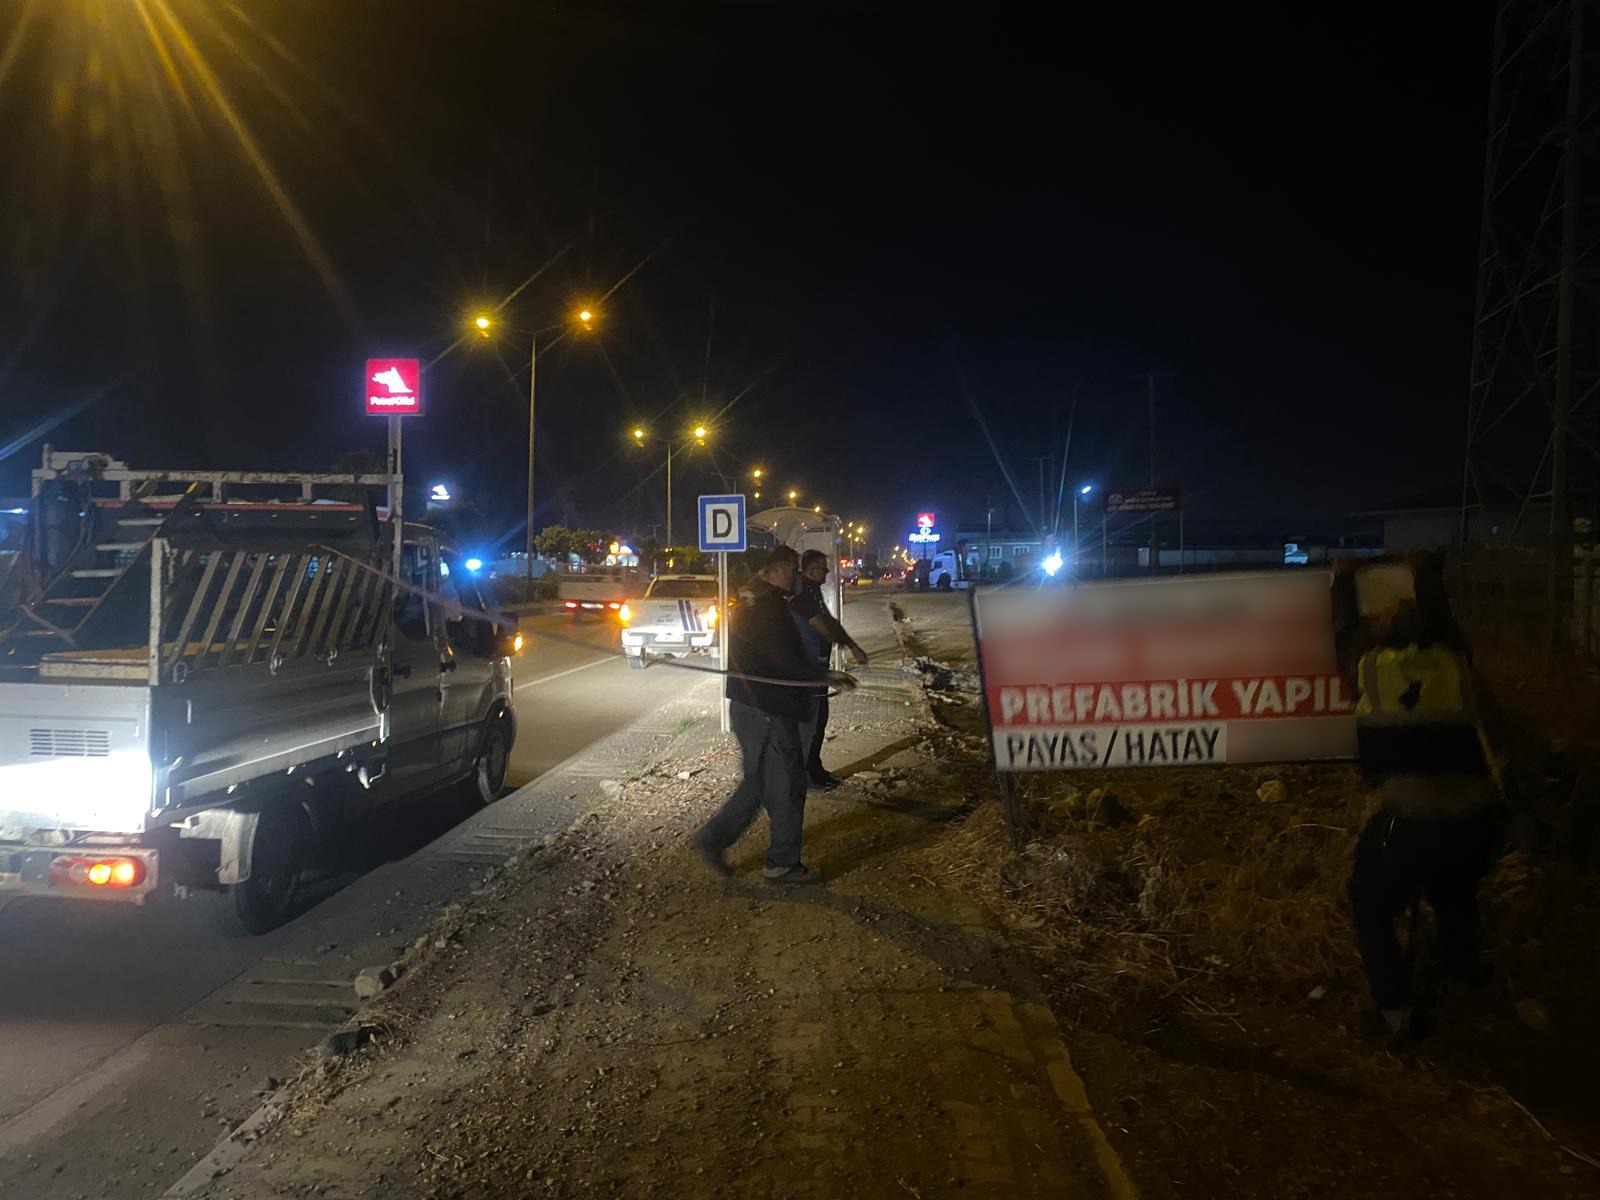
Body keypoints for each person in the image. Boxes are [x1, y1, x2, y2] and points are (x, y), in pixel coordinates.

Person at [1333, 555, 1505, 1045]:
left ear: (1379, 634)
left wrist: (1343, 579)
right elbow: (1444, 618)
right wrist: (1426, 570)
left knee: (1369, 900)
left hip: (1411, 823)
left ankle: (1394, 1008)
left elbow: (1343, 629)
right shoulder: (1452, 659)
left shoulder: (1368, 668)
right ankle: (1465, 978)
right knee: (1454, 896)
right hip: (1475, 818)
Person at [692, 546, 856, 885]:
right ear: (774, 571)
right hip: (767, 709)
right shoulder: (768, 610)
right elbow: (782, 660)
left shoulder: (759, 603)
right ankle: (782, 864)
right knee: (787, 784)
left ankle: (713, 838)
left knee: (758, 781)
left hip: (750, 706)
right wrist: (824, 676)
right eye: (792, 569)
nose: (797, 574)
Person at [789, 549, 869, 791]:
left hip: (817, 668)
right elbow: (824, 626)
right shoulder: (802, 595)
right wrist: (851, 646)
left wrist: (851, 645)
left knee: (819, 722)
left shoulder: (813, 592)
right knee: (810, 725)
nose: (826, 572)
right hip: (807, 670)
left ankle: (815, 769)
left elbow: (830, 623)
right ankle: (805, 777)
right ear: (812, 569)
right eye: (823, 568)